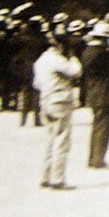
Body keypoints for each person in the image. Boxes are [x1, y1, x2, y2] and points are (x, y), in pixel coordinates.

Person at [33, 30, 82, 189]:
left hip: (46, 100)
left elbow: (36, 83)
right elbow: (76, 71)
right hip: (60, 101)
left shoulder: (41, 60)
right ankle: (58, 179)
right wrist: (73, 58)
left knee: (49, 140)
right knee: (62, 140)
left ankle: (45, 176)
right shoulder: (58, 60)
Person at [82, 21, 109, 168]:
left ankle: (93, 157)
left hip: (94, 92)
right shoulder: (103, 54)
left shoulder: (88, 52)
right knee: (103, 127)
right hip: (104, 93)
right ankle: (99, 159)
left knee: (97, 126)